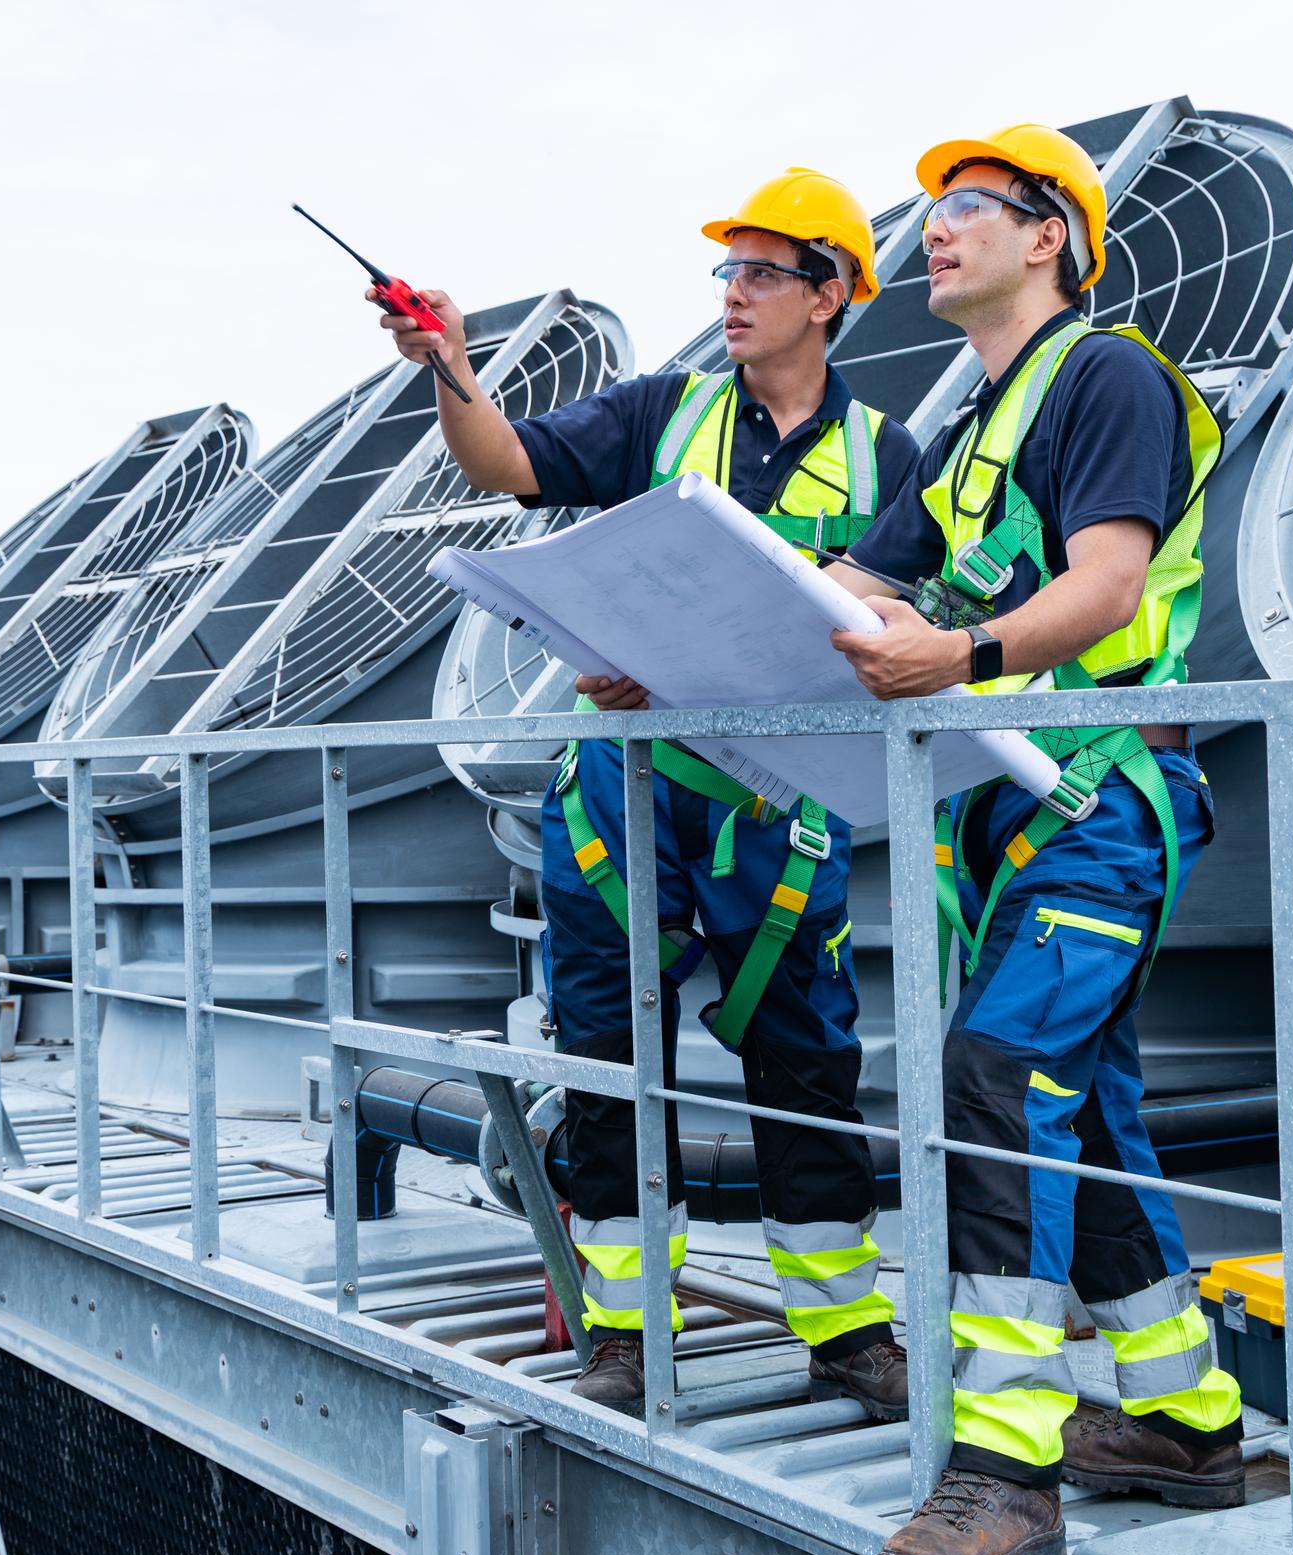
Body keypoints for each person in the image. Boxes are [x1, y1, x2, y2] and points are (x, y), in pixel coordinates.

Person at [377, 168, 922, 1418]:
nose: (732, 295)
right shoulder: (661, 415)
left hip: (776, 811)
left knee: (807, 1063)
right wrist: (449, 364)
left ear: (829, 295)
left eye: (762, 274)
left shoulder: (888, 451)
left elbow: (899, 601)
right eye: (725, 273)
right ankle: (625, 1323)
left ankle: (843, 1328)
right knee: (610, 1054)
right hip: (620, 796)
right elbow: (504, 460)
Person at [822, 124, 1244, 1555]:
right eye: (930, 213)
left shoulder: (1109, 377)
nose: (931, 233)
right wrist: (686, 617)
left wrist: (968, 650)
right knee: (1088, 1103)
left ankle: (1008, 1465)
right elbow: (863, 575)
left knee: (995, 1074)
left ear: (1047, 233)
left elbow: (1109, 583)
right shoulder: (975, 422)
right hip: (1017, 811)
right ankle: (1192, 1424)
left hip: (1104, 807)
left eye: (966, 210)